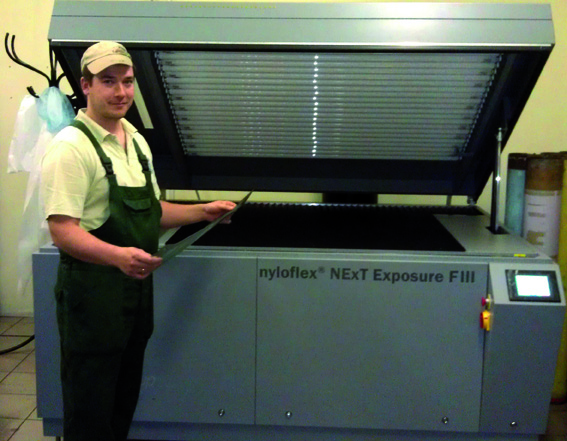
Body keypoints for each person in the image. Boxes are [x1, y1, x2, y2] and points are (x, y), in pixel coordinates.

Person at [40, 41, 236, 441]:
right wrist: (116, 257)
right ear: (86, 85)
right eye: (108, 81)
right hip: (93, 297)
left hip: (133, 294)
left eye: (127, 82)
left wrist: (203, 211)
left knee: (122, 401)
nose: (120, 92)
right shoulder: (71, 148)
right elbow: (62, 230)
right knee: (90, 408)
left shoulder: (137, 141)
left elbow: (151, 210)